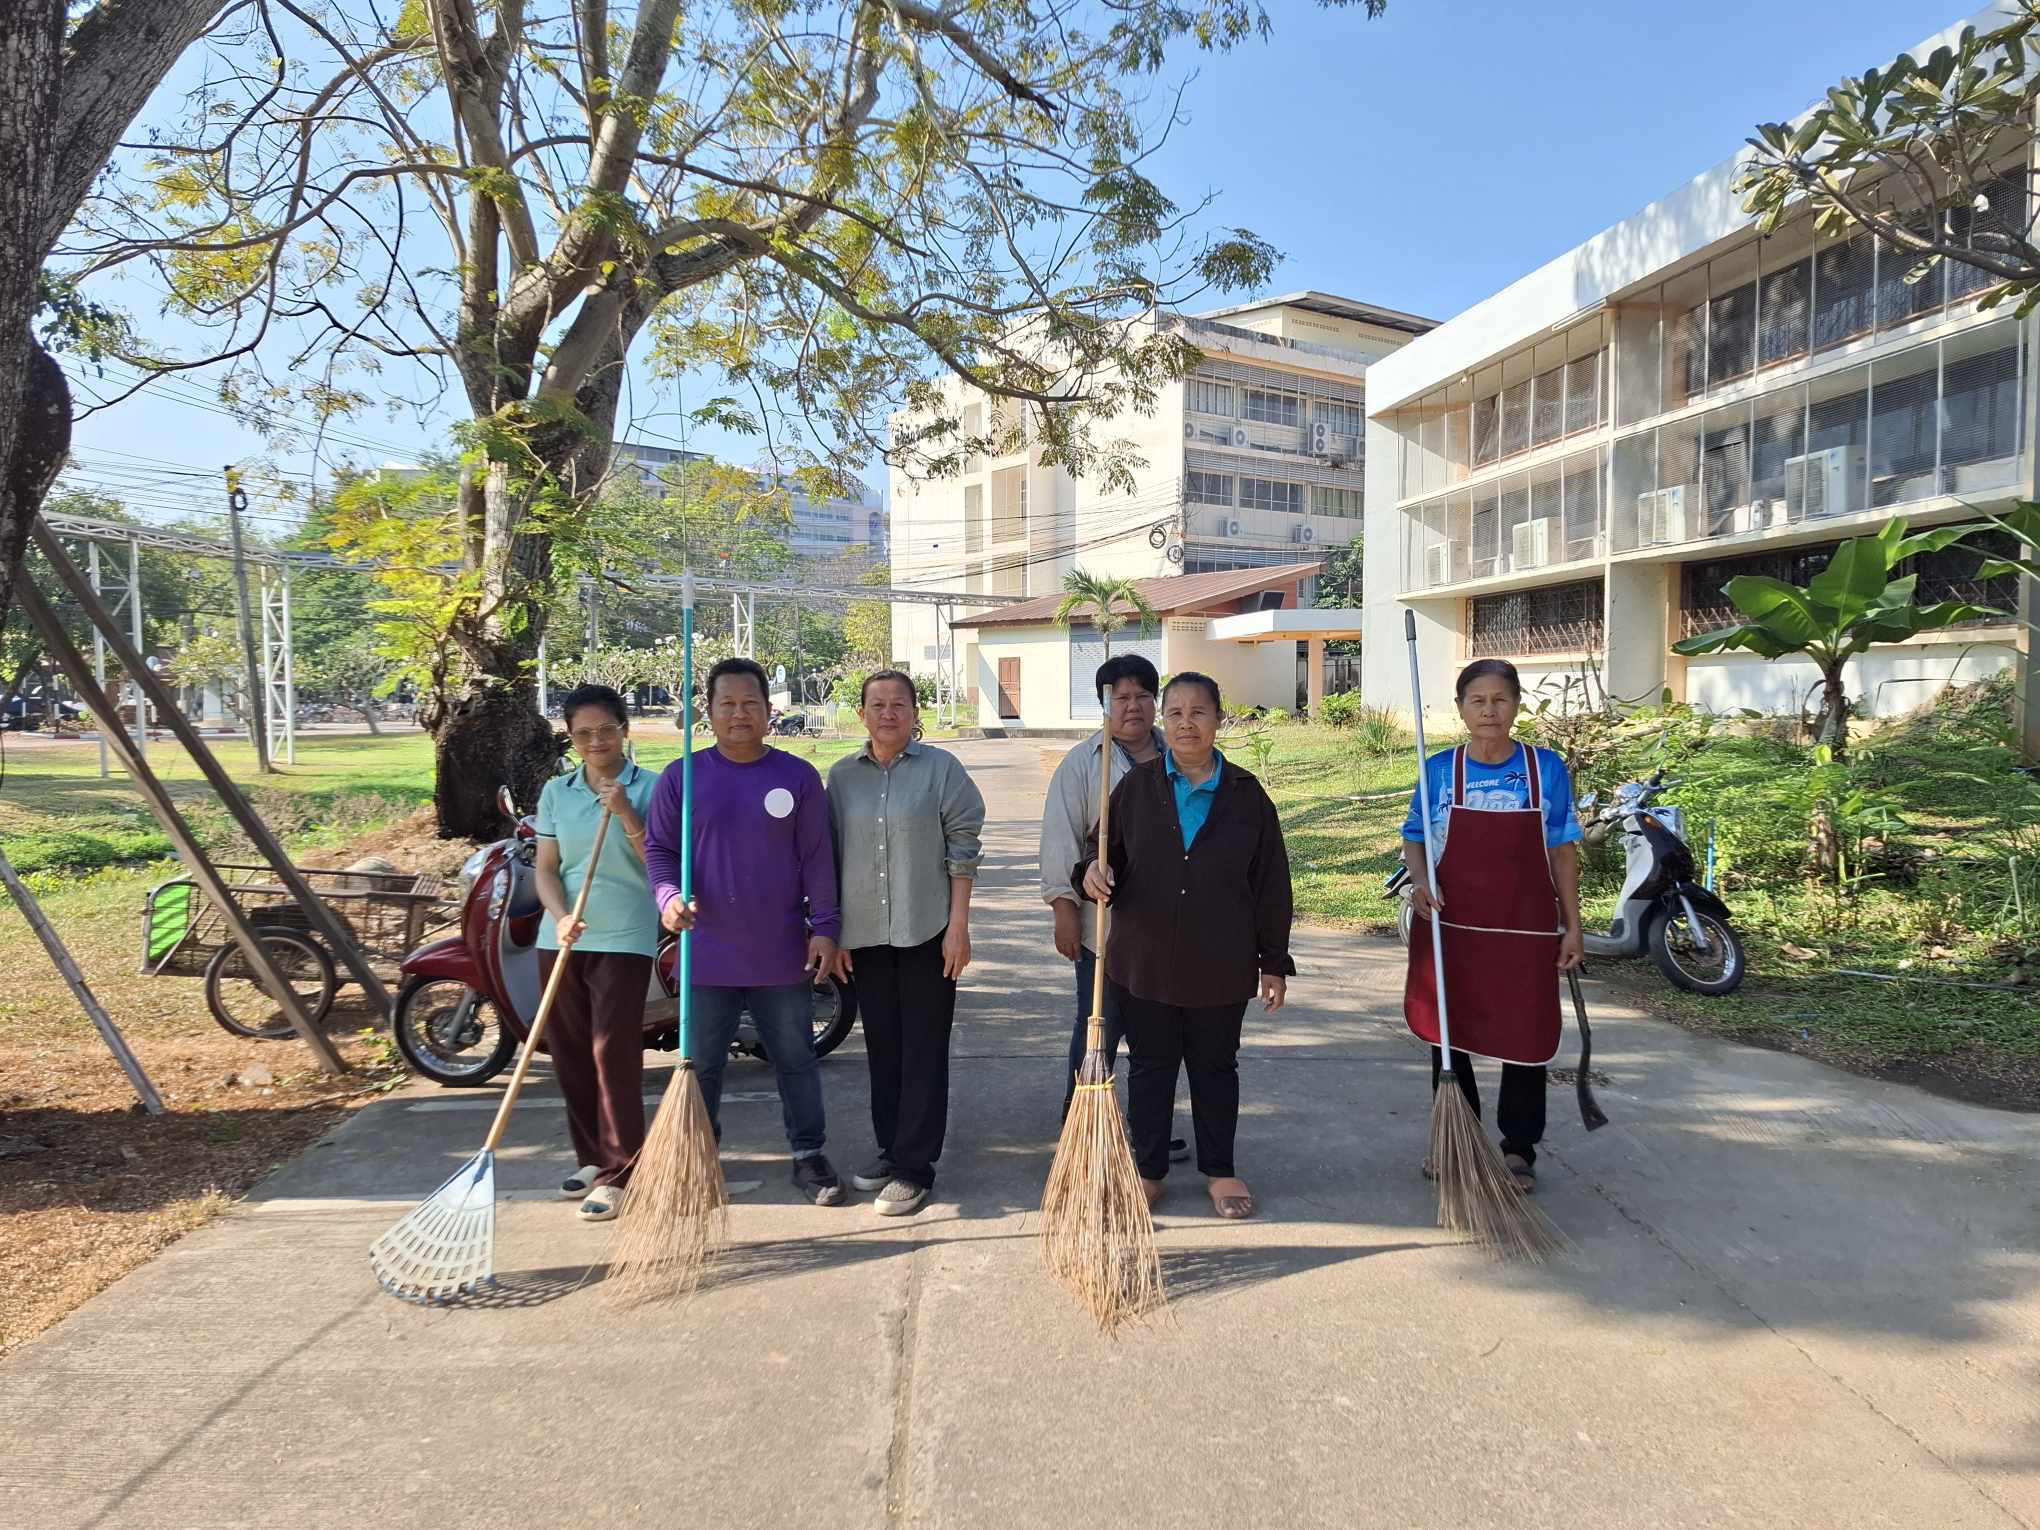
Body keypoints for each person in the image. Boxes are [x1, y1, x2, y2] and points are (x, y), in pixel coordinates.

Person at [1079, 672, 1293, 1220]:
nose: (1186, 723)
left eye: (1199, 712)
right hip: (1144, 961)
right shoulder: (1136, 787)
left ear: (1219, 719)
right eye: (1175, 713)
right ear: (1162, 721)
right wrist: (1092, 873)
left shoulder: (1247, 796)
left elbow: (1271, 884)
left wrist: (1273, 961)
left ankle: (1220, 1170)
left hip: (1221, 962)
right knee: (1150, 1068)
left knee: (1215, 1068)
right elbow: (1103, 853)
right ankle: (1148, 1172)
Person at [644, 656, 846, 1206]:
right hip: (706, 951)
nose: (739, 713)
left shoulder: (797, 777)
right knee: (701, 1065)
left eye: (750, 703)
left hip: (780, 952)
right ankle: (699, 1156)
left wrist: (825, 928)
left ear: (768, 711)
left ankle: (809, 1155)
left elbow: (817, 859)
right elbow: (660, 851)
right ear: (707, 711)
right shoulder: (682, 777)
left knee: (796, 1059)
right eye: (727, 703)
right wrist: (668, 898)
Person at [1401, 658, 1585, 1194]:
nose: (1489, 710)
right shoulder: (1437, 768)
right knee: (1447, 1031)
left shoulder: (1544, 768)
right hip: (1452, 924)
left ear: (1516, 705)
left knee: (1522, 1035)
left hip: (1524, 927)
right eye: (1477, 700)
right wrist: (1419, 882)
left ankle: (1517, 1148)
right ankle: (1456, 1137)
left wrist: (1571, 926)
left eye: (1500, 699)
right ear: (1460, 709)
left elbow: (1562, 849)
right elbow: (1415, 836)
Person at [825, 671, 985, 1217]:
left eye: (899, 704)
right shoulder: (842, 777)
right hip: (865, 935)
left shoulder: (942, 770)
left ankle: (915, 1167)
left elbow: (964, 848)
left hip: (928, 931)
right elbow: (834, 856)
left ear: (916, 713)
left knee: (923, 1048)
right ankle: (890, 1149)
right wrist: (837, 932)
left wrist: (958, 926)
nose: (888, 713)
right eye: (877, 704)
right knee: (882, 1049)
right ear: (862, 713)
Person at [1037, 653, 1186, 1159]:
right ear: (1103, 703)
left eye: (1143, 695)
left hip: (1168, 930)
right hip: (1104, 926)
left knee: (1157, 1037)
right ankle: (1080, 1126)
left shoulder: (1179, 757)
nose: (1133, 707)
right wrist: (1063, 907)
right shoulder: (1084, 763)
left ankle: (1150, 1133)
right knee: (1098, 1028)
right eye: (1121, 697)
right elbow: (1060, 839)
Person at [531, 683, 661, 1223]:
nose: (596, 741)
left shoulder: (653, 786)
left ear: (624, 729)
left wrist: (626, 809)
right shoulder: (557, 793)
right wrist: (560, 915)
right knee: (571, 1051)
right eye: (583, 734)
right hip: (562, 938)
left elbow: (658, 855)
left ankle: (623, 1168)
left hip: (625, 935)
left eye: (606, 730)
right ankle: (590, 1158)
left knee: (613, 1052)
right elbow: (545, 869)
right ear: (570, 737)